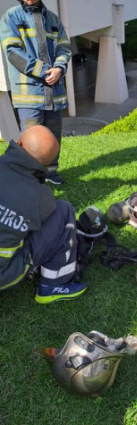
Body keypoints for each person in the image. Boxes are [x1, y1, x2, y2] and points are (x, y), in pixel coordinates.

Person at [0, 125, 85, 303]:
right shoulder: (41, 197)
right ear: (47, 164)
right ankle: (52, 285)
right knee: (63, 211)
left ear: (20, 142)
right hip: (4, 274)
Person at [0, 0, 71, 186]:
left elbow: (64, 47)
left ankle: (51, 172)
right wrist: (43, 71)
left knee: (53, 134)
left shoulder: (53, 19)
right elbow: (13, 52)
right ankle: (31, 176)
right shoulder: (11, 17)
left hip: (54, 92)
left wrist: (59, 68)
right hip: (29, 94)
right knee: (32, 137)